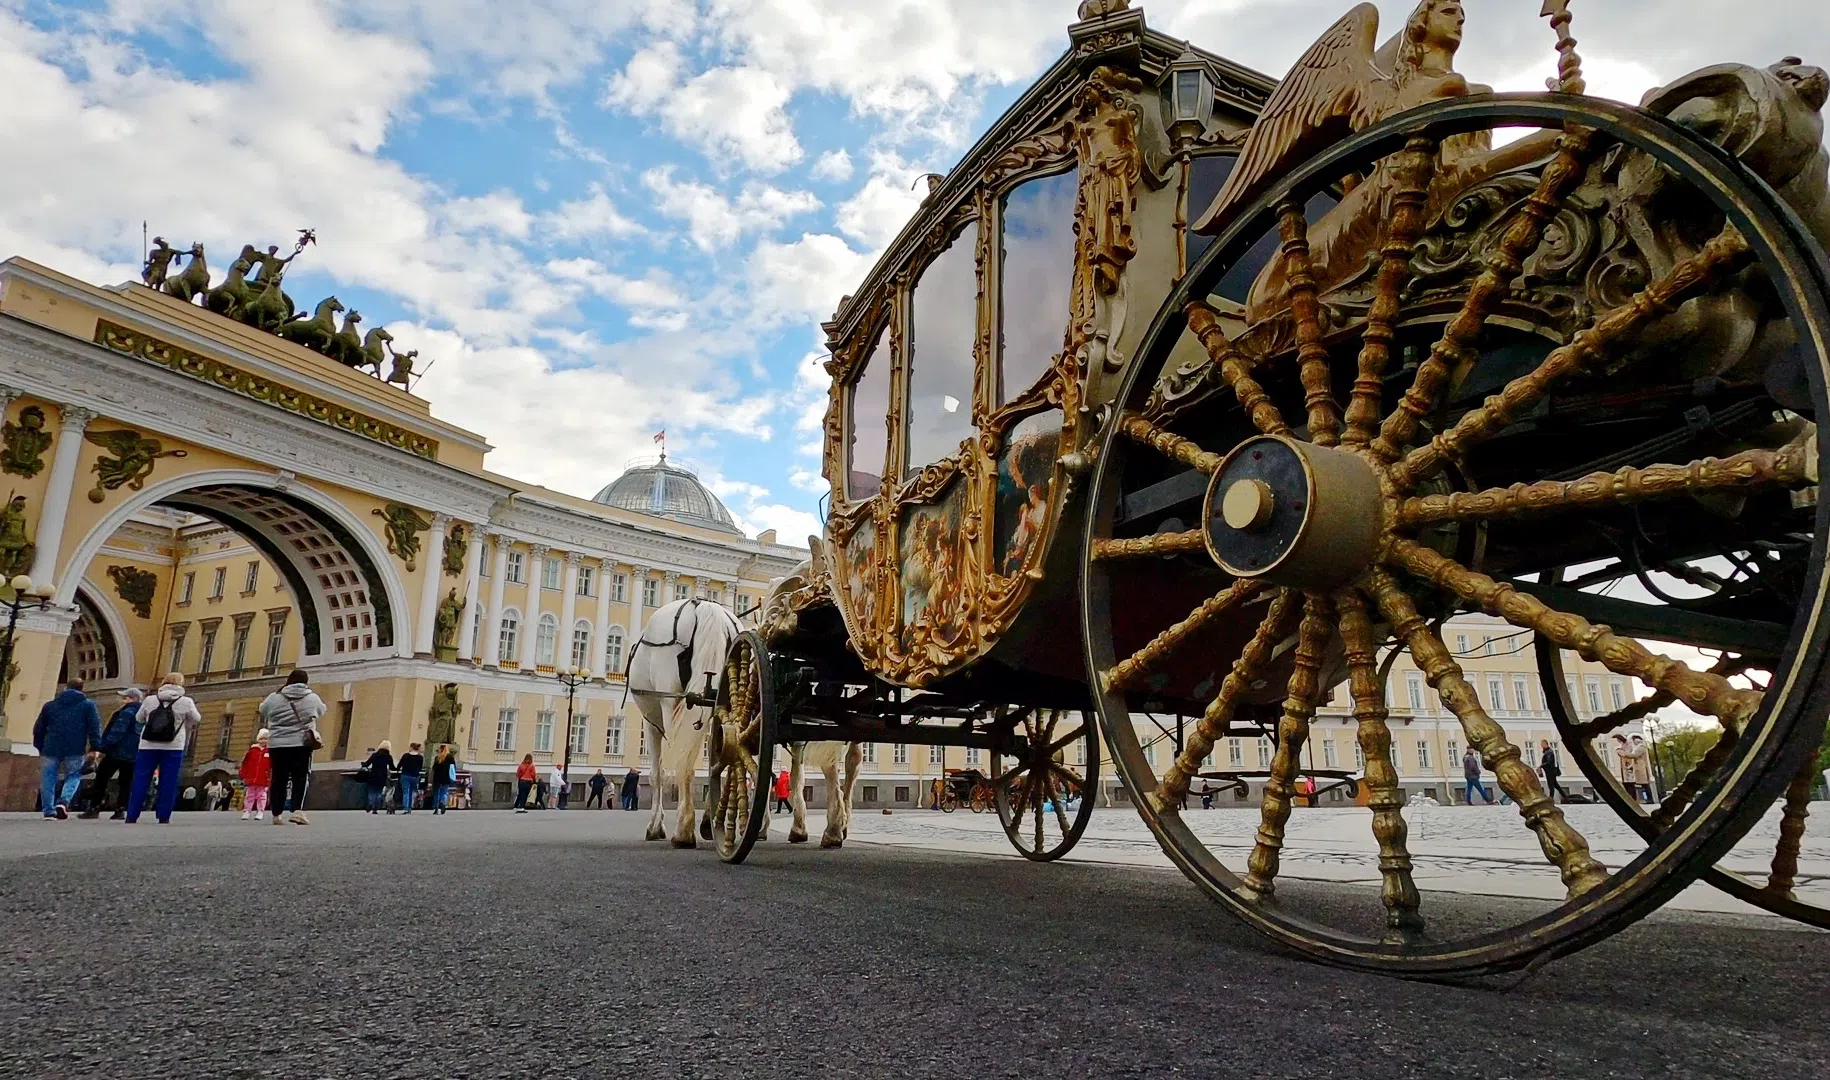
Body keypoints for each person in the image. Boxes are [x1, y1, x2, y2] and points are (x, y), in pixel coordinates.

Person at [129, 673, 201, 825]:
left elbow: (138, 719)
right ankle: (163, 815)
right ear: (181, 684)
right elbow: (196, 719)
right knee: (168, 781)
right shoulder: (186, 702)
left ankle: (132, 814)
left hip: (147, 745)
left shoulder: (150, 700)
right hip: (173, 746)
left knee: (141, 780)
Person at [260, 669, 327, 825]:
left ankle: (276, 814)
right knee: (301, 777)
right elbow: (322, 710)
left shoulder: (275, 697)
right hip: (301, 744)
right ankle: (297, 810)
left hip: (277, 744)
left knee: (278, 778)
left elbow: (263, 710)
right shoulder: (312, 698)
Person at [32, 677, 103, 820]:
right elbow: (94, 728)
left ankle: (48, 811)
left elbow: (39, 729)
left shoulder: (50, 705)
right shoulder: (88, 705)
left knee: (48, 778)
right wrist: (95, 747)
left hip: (51, 747)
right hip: (75, 748)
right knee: (74, 775)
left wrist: (40, 746)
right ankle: (63, 801)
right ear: (82, 689)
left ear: (65, 688)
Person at [80, 687, 141, 819]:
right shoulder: (143, 713)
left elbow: (117, 731)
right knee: (126, 782)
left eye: (125, 698)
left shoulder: (127, 712)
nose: (121, 700)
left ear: (133, 699)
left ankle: (94, 808)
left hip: (117, 752)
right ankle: (120, 809)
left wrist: (102, 747)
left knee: (101, 779)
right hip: (134, 754)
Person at [239, 729, 272, 820]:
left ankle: (260, 811)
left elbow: (271, 766)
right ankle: (247, 811)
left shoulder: (269, 752)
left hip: (263, 778)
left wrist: (270, 777)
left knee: (262, 796)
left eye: (266, 739)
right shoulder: (252, 751)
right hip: (251, 777)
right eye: (261, 739)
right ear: (258, 739)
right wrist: (243, 773)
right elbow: (245, 763)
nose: (263, 741)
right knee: (250, 795)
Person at [362, 741, 395, 814]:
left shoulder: (375, 755)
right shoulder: (388, 756)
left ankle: (370, 803)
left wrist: (363, 765)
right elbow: (392, 767)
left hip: (373, 775)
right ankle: (375, 808)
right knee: (379, 792)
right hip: (382, 776)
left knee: (371, 791)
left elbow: (367, 763)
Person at [1540, 739, 1571, 803]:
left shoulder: (1549, 752)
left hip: (1550, 771)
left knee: (1551, 785)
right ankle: (1566, 797)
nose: (1541, 745)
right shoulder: (1547, 752)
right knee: (1556, 785)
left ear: (1545, 744)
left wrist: (1541, 765)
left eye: (1542, 744)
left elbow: (1549, 762)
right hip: (1550, 771)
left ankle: (1551, 799)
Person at [397, 742, 424, 813]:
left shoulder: (405, 755)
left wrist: (397, 770)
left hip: (405, 775)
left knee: (406, 792)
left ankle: (405, 807)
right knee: (411, 792)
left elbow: (399, 765)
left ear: (411, 747)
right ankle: (409, 807)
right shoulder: (420, 757)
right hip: (415, 776)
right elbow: (420, 767)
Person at [430, 746, 457, 814]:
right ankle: (443, 804)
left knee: (436, 793)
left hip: (437, 778)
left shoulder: (437, 758)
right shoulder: (450, 757)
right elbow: (453, 768)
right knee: (444, 793)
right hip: (446, 778)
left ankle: (436, 808)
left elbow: (434, 768)